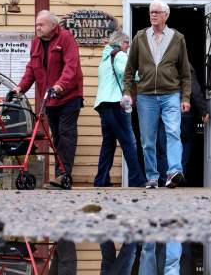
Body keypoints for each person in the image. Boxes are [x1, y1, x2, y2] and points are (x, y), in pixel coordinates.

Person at [10, 10, 82, 189]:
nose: (37, 28)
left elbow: (71, 67)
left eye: (41, 24)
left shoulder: (66, 39)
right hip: (49, 98)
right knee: (56, 136)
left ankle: (64, 175)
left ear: (53, 25)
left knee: (66, 134)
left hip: (68, 95)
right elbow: (31, 69)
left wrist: (60, 86)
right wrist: (21, 88)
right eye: (36, 25)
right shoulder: (36, 43)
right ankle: (60, 175)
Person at [123, 1, 190, 189]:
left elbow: (185, 72)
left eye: (157, 12)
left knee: (173, 132)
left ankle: (174, 171)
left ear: (166, 15)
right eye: (151, 12)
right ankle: (152, 176)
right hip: (146, 96)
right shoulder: (140, 37)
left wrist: (185, 98)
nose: (152, 15)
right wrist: (127, 92)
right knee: (148, 140)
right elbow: (129, 70)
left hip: (171, 94)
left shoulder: (177, 38)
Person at [93, 31, 146, 187]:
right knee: (128, 142)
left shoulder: (105, 58)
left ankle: (101, 180)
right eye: (126, 42)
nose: (128, 45)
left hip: (103, 104)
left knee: (108, 144)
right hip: (116, 103)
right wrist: (144, 75)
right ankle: (137, 180)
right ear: (119, 43)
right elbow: (129, 74)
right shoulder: (120, 55)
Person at [156, 60, 209, 186]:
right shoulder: (187, 65)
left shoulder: (161, 63)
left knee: (164, 146)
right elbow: (194, 90)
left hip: (166, 112)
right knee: (184, 144)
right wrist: (203, 110)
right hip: (184, 112)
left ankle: (165, 178)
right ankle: (179, 176)